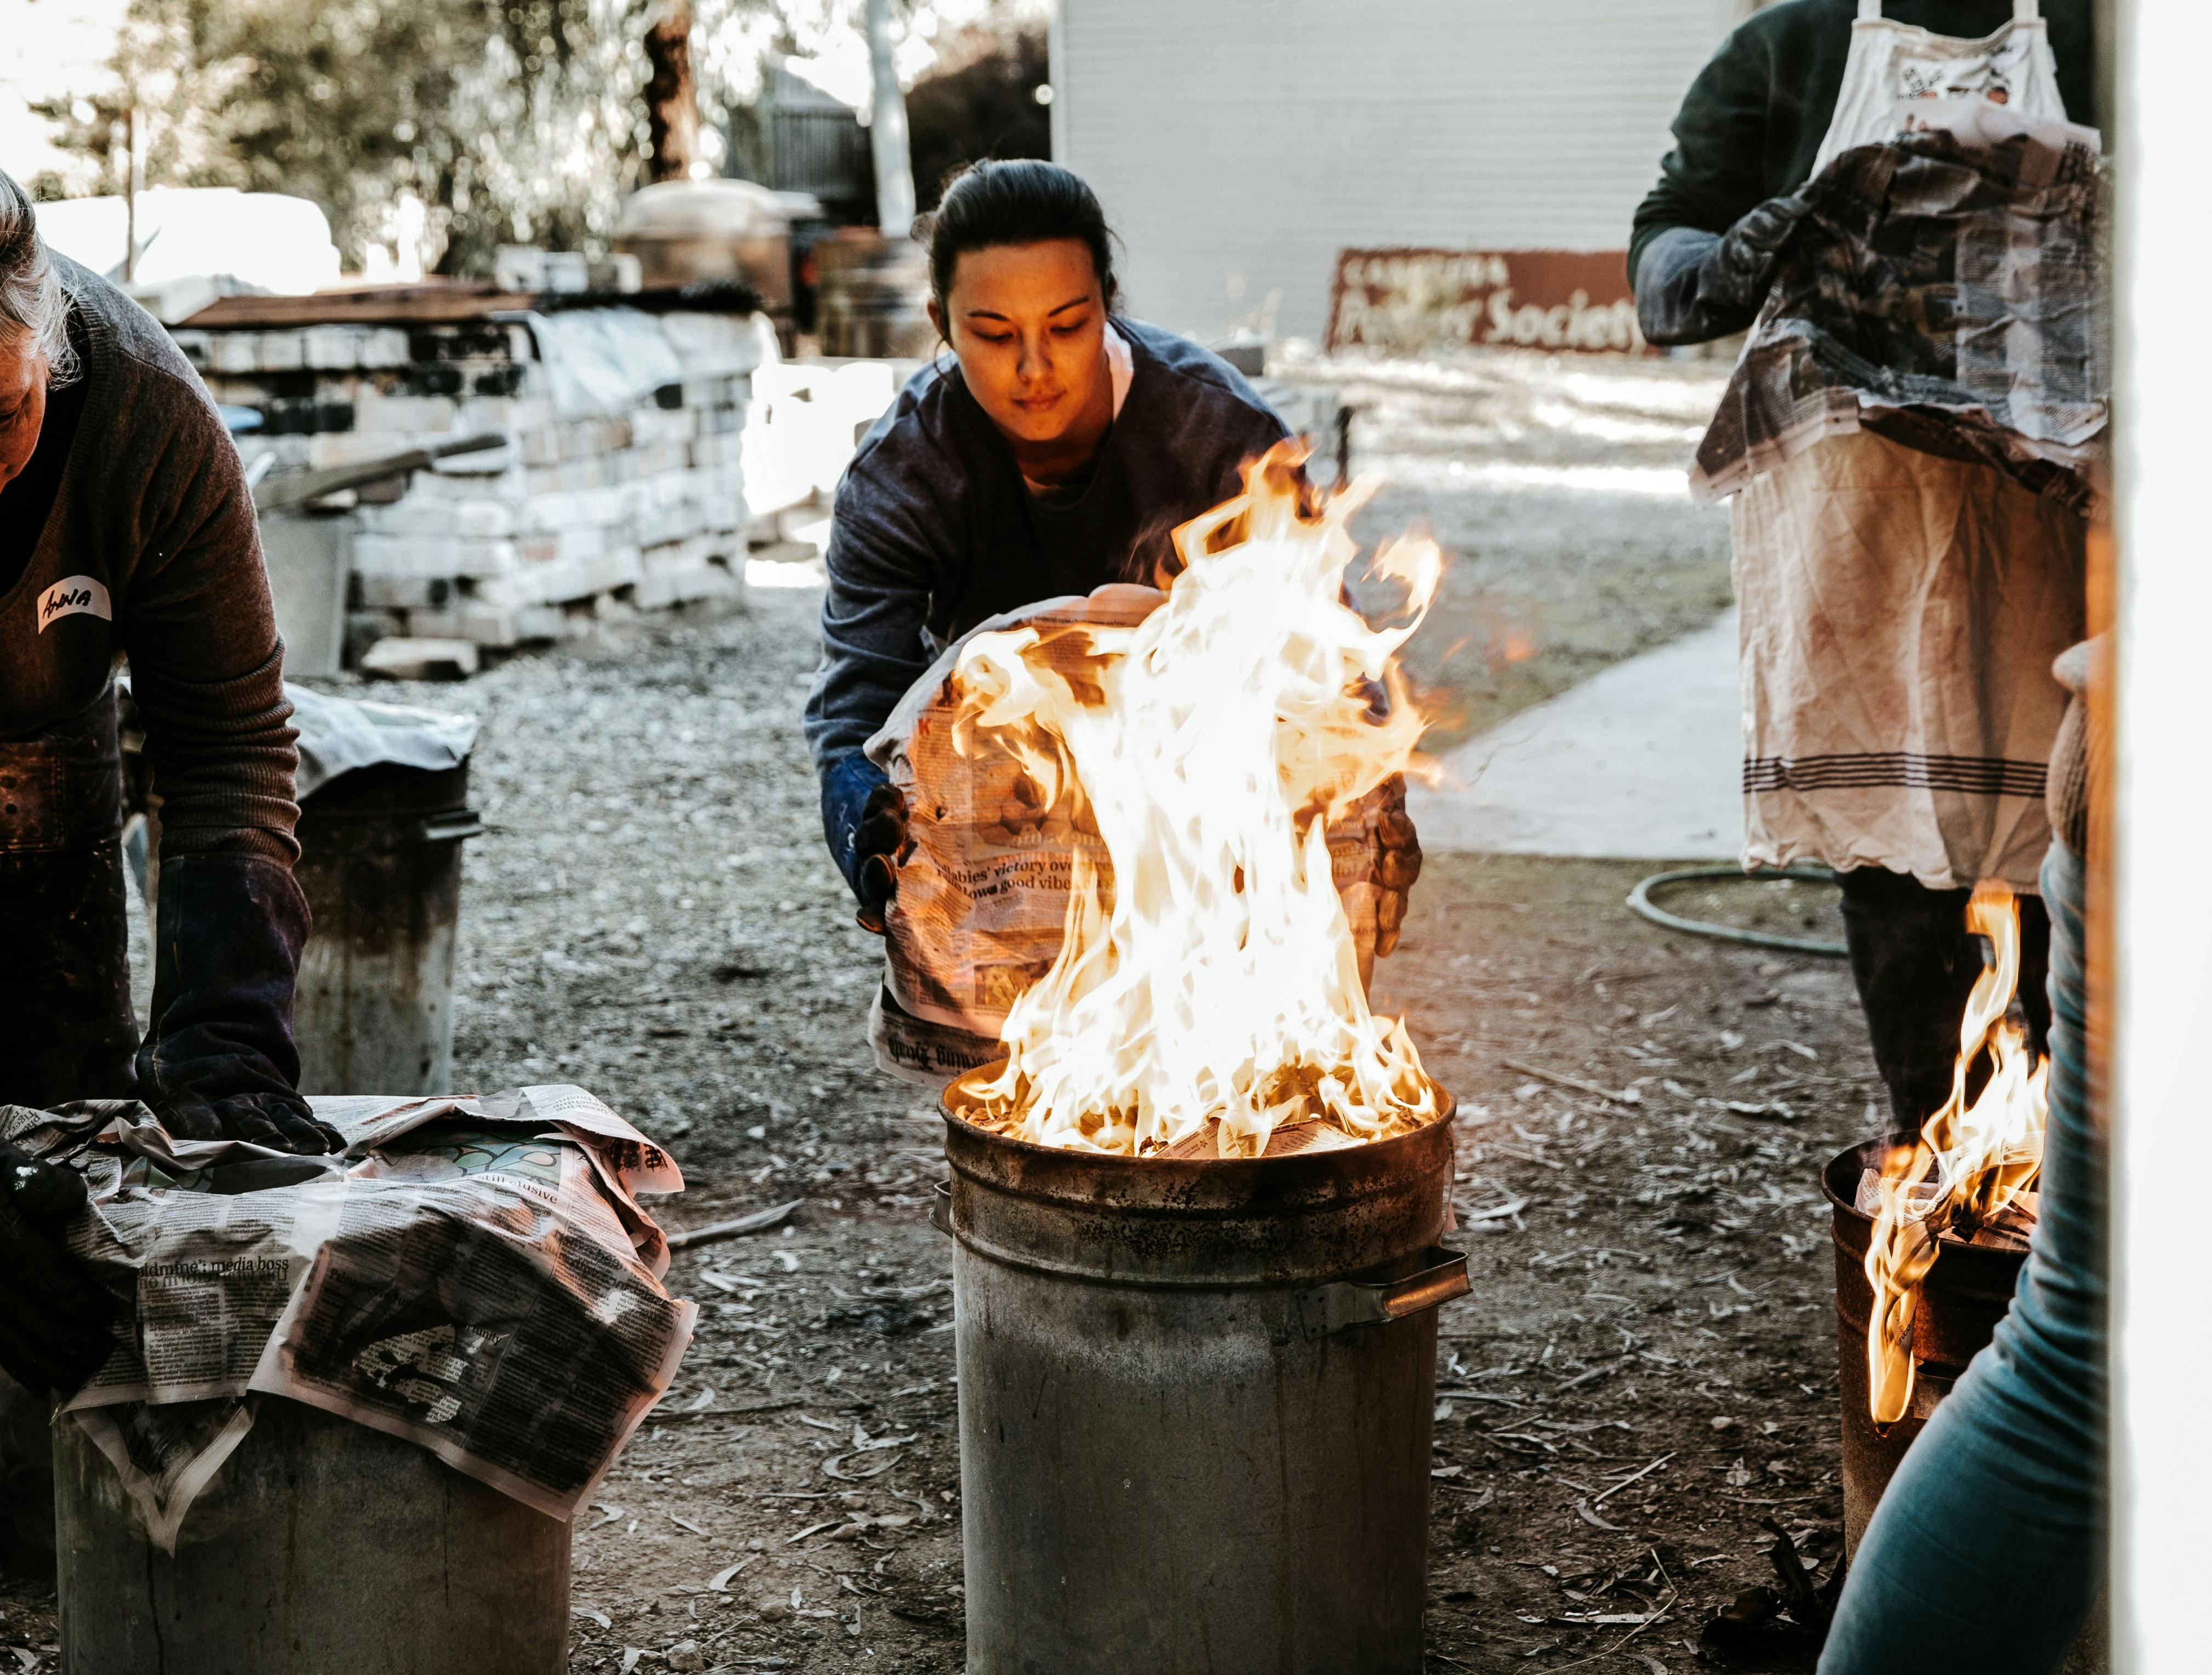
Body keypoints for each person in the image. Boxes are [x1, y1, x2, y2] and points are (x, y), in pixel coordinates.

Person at [1628, 0, 2095, 1131]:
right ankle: (1934, 1154)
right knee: (1893, 859)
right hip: (1856, 529)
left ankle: (2062, 1168)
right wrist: (1729, 258)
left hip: (2057, 520)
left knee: (2078, 828)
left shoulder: (2099, 39)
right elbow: (1661, 253)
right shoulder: (1788, 52)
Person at [803, 159, 1420, 947]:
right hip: (1013, 811)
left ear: (1109, 307)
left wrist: (1362, 821)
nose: (1034, 369)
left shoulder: (1220, 438)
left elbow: (1341, 677)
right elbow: (856, 708)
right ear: (941, 323)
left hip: (1213, 802)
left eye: (1067, 325)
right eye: (993, 335)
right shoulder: (902, 475)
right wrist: (868, 832)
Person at [0, 171, 334, 1556]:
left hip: (43, 745)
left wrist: (225, 1032)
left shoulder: (149, 415)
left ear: (47, 342)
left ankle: (44, 1532)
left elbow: (231, 745)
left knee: (60, 1172)